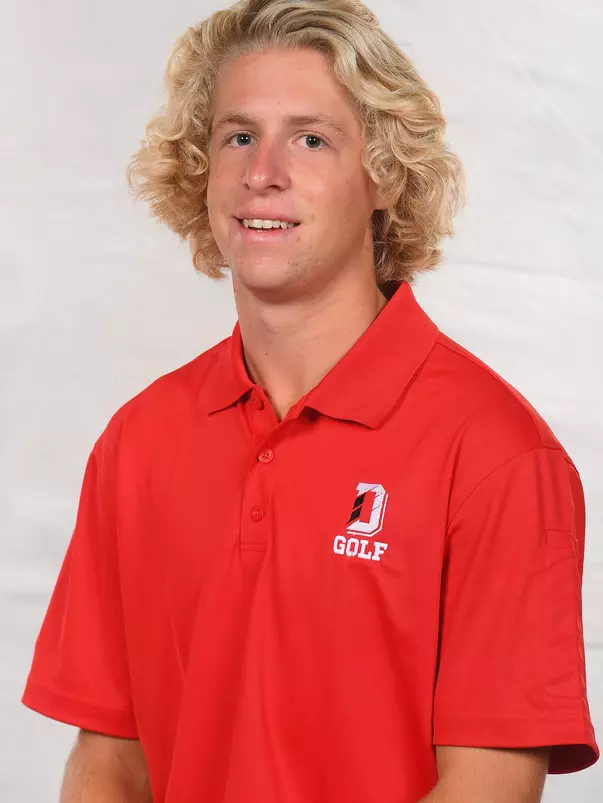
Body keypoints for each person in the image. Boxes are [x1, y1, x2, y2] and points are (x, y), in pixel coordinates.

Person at [22, 1, 599, 801]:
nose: (263, 171)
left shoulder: (496, 455)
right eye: (237, 136)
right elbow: (110, 761)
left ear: (384, 176)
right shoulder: (138, 441)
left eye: (310, 138)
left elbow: (487, 784)